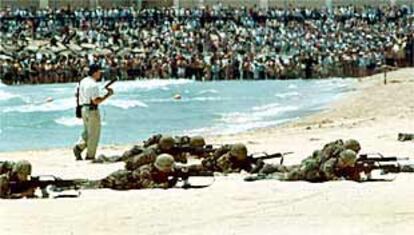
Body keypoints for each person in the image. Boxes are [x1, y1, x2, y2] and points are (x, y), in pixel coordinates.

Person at [73, 64, 114, 161]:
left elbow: (77, 94)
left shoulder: (83, 81)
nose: (100, 74)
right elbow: (95, 100)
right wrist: (108, 95)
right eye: (99, 72)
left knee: (87, 131)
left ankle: (79, 146)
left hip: (83, 108)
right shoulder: (93, 84)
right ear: (95, 72)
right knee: (94, 134)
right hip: (92, 110)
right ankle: (90, 155)